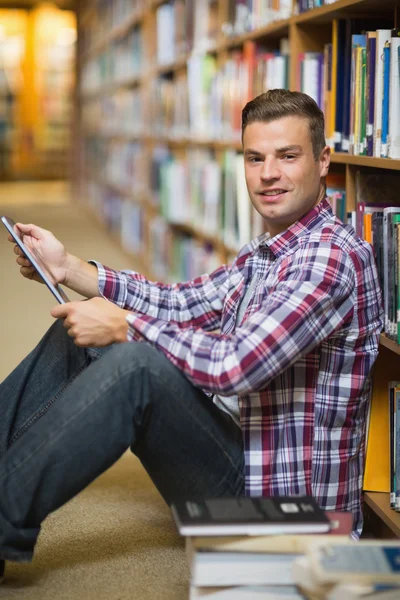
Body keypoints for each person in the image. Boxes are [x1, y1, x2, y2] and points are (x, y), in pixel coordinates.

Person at [0, 89, 383, 580]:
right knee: (79, 336)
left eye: (288, 156)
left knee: (135, 364)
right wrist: (70, 267)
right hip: (243, 453)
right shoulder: (268, 250)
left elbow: (236, 366)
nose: (268, 173)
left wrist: (126, 326)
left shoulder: (330, 260)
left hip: (286, 514)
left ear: (323, 160)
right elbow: (184, 302)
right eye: (254, 157)